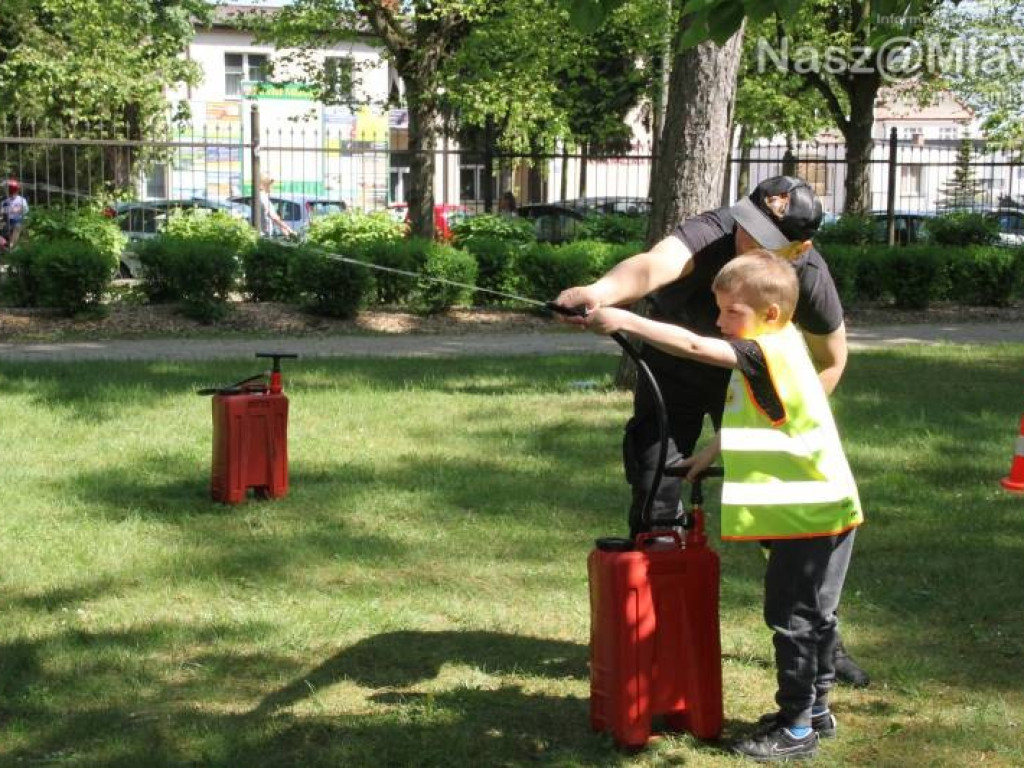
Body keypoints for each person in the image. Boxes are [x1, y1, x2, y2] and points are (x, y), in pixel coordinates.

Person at [554, 176, 870, 687]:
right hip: (670, 369)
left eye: (760, 240)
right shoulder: (715, 228)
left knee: (783, 523)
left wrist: (784, 418)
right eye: (744, 226)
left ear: (798, 249)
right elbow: (653, 265)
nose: (742, 241)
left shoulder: (807, 277)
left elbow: (831, 362)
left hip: (750, 377)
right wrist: (598, 293)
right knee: (656, 484)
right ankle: (653, 638)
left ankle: (822, 648)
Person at [585, 250, 863, 762]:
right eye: (718, 311)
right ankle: (815, 712)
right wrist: (709, 454)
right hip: (828, 510)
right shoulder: (786, 346)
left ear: (771, 314)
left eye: (730, 312)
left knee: (794, 619)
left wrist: (624, 318)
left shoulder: (766, 349)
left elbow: (692, 344)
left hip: (807, 517)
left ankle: (797, 728)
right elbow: (769, 414)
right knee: (816, 618)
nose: (718, 322)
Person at [1, 178, 29, 250]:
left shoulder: (21, 200)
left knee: (17, 227)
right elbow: (1, 211)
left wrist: (19, 210)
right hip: (6, 221)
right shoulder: (5, 201)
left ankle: (11, 246)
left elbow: (25, 209)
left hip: (17, 221)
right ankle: (5, 245)